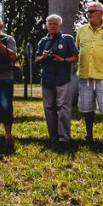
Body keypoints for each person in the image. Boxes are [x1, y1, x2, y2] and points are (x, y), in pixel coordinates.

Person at [75, 1, 103, 142]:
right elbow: (78, 50)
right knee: (87, 107)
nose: (89, 14)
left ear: (101, 13)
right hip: (85, 74)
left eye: (92, 11)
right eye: (87, 12)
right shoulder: (81, 30)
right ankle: (89, 135)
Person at [34, 15, 79, 143]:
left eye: (55, 24)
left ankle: (64, 137)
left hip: (62, 78)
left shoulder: (67, 39)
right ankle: (53, 136)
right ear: (47, 26)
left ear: (60, 26)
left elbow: (76, 57)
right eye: (50, 24)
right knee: (49, 108)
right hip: (47, 78)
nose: (52, 26)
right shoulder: (43, 41)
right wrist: (43, 57)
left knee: (64, 108)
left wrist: (62, 60)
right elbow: (36, 59)